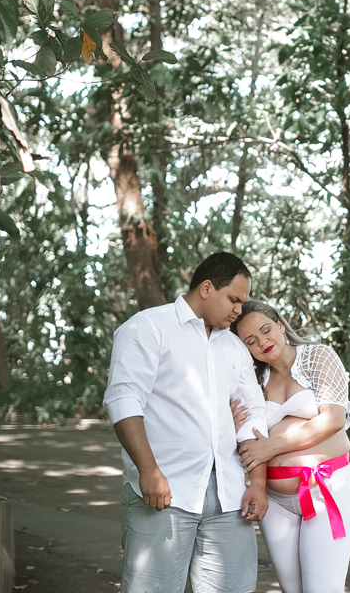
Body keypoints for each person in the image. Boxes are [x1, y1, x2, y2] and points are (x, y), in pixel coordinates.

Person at [104, 253, 270, 593]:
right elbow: (123, 400)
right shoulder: (147, 327)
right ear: (207, 288)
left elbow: (252, 412)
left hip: (228, 495)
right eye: (234, 299)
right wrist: (149, 471)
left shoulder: (234, 347)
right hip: (165, 491)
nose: (239, 310)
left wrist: (258, 482)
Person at [230, 301, 350, 593]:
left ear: (279, 324)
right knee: (294, 590)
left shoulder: (318, 357)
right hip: (275, 502)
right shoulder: (253, 380)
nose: (262, 342)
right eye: (250, 341)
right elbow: (247, 434)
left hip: (325, 489)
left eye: (266, 330)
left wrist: (272, 447)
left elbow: (333, 419)